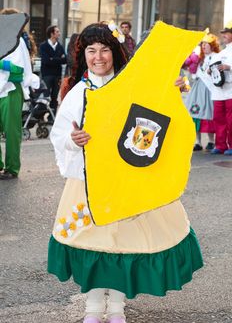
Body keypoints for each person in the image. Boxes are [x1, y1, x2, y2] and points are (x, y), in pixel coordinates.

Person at [48, 22, 203, 323]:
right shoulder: (77, 92)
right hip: (88, 183)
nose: (98, 57)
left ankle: (116, 309)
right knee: (92, 244)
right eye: (91, 50)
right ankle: (93, 309)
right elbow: (59, 135)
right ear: (84, 55)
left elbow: (157, 112)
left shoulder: (132, 85)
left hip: (128, 183)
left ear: (115, 53)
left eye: (105, 49)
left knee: (123, 246)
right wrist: (72, 140)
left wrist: (169, 89)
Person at [0, 8, 40, 180]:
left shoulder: (18, 43)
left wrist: (2, 65)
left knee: (12, 131)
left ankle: (12, 168)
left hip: (11, 89)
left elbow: (20, 71)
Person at [184, 34, 220, 151]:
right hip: (198, 88)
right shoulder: (199, 58)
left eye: (206, 44)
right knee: (195, 114)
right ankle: (197, 142)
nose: (204, 46)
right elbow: (192, 75)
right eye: (202, 44)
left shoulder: (217, 57)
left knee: (210, 114)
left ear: (212, 45)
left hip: (210, 89)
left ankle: (211, 141)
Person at [209, 21, 232, 155]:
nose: (223, 35)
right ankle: (220, 145)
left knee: (230, 120)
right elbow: (210, 68)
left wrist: (229, 67)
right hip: (219, 91)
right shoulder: (220, 53)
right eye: (223, 33)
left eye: (226, 33)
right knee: (219, 119)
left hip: (231, 91)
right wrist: (209, 70)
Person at [39, 25, 67, 117]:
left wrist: (52, 59)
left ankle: (52, 116)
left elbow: (65, 60)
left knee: (55, 96)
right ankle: (41, 115)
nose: (59, 33)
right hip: (47, 75)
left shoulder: (60, 46)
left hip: (57, 75)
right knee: (45, 95)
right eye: (57, 32)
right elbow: (46, 61)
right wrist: (58, 59)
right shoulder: (43, 46)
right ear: (52, 34)